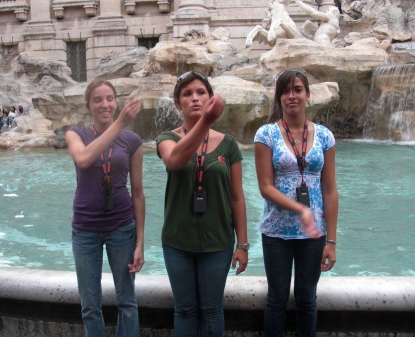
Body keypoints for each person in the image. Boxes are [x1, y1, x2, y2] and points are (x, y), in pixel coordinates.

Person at [156, 71, 248, 337]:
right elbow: (174, 160)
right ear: (178, 103)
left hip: (218, 242)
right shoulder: (167, 139)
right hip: (177, 242)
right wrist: (207, 121)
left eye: (200, 93)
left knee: (212, 309)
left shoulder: (229, 146)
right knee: (184, 309)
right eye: (187, 94)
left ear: (209, 98)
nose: (194, 98)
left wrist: (242, 244)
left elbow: (237, 197)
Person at [254, 69, 338, 337]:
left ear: (308, 95)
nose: (292, 96)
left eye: (298, 89)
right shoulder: (266, 134)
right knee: (276, 300)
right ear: (278, 98)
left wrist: (332, 241)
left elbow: (330, 189)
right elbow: (265, 187)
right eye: (286, 91)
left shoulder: (324, 136)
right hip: (277, 231)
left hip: (314, 233)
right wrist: (300, 208)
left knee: (307, 300)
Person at [65, 79, 145, 337]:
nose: (105, 104)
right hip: (85, 230)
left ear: (116, 101)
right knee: (89, 305)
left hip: (122, 227)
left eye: (110, 98)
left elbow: (139, 192)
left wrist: (140, 242)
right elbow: (84, 158)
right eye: (98, 99)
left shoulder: (132, 140)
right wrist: (120, 123)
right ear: (88, 105)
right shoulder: (76, 135)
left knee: (127, 301)